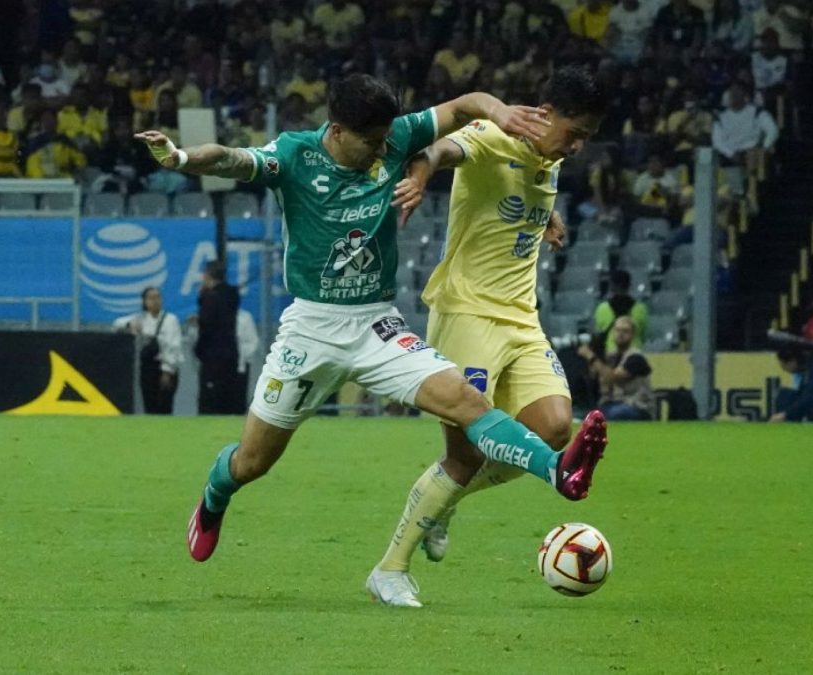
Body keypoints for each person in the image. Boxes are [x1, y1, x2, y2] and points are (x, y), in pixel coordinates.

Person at [135, 74, 608, 604]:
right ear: (336, 131)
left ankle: (557, 470)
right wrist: (179, 158)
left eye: (388, 139)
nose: (385, 149)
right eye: (372, 142)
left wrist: (497, 112)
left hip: (376, 324)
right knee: (252, 463)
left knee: (465, 403)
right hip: (311, 330)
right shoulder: (295, 156)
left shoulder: (396, 137)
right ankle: (215, 495)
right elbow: (230, 158)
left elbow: (462, 104)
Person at [367, 65, 609, 606]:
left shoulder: (546, 157)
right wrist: (423, 172)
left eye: (585, 139)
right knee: (465, 453)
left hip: (522, 319)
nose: (576, 146)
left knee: (552, 427)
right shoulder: (495, 134)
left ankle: (440, 505)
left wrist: (545, 218)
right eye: (574, 133)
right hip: (466, 314)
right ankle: (390, 569)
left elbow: (516, 193)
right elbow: (443, 150)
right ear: (544, 115)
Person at [114, 287, 182, 415]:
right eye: (151, 298)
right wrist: (130, 325)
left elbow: (173, 347)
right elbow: (117, 323)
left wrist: (167, 371)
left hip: (164, 367)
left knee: (164, 406)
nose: (155, 301)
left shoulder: (170, 320)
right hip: (147, 368)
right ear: (144, 302)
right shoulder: (141, 319)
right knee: (149, 406)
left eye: (157, 297)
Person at [578, 317, 655, 421]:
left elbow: (613, 377)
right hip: (612, 403)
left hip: (637, 406)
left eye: (625, 331)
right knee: (587, 416)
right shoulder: (611, 357)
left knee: (615, 414)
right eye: (617, 330)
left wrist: (591, 356)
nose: (621, 334)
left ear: (633, 335)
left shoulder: (636, 358)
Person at [195, 260, 242, 415]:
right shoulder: (231, 296)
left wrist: (198, 350)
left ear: (207, 275)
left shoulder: (210, 298)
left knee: (211, 399)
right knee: (229, 396)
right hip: (231, 353)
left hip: (213, 356)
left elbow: (206, 327)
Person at [594, 270, 649, 353]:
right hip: (633, 354)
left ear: (611, 286)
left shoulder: (602, 309)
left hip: (610, 355)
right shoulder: (641, 309)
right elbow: (643, 335)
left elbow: (599, 332)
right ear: (629, 285)